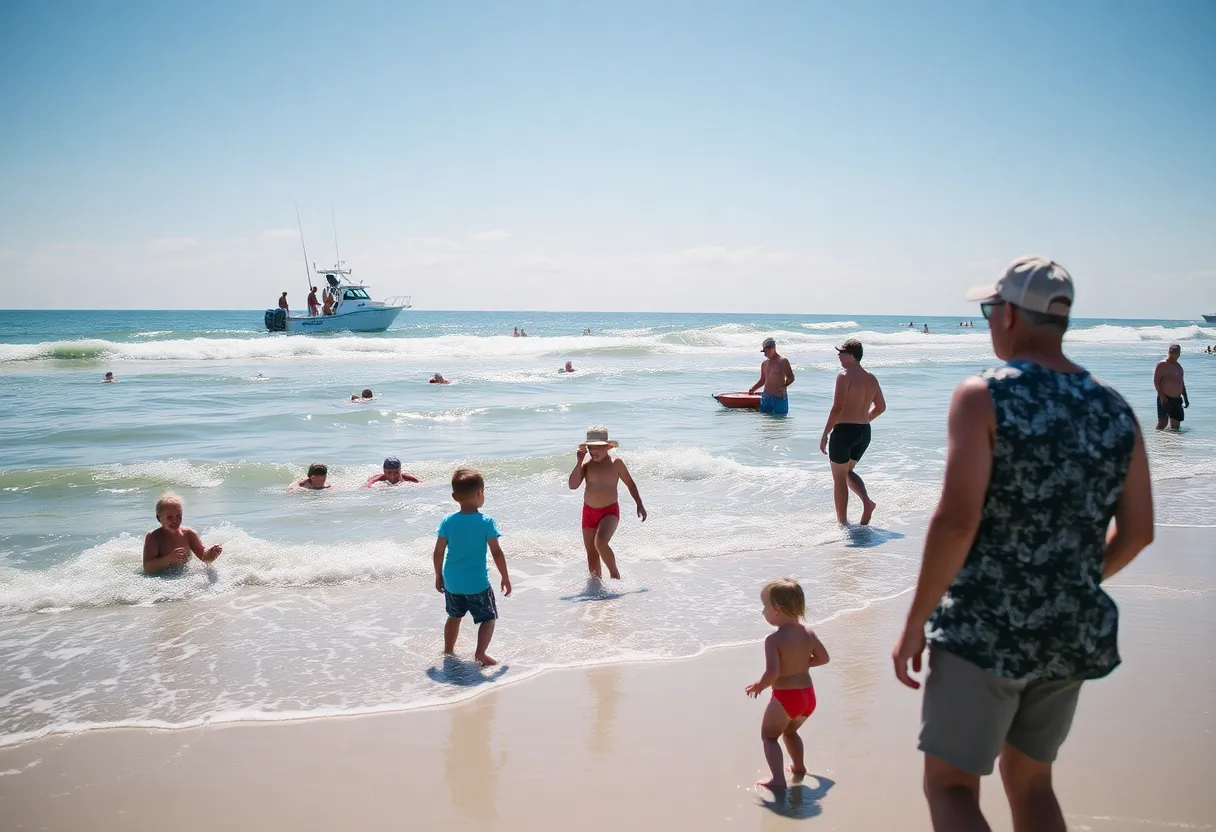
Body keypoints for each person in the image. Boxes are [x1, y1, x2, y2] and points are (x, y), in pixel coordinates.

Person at [891, 256, 1154, 832]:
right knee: (1033, 786)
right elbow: (1139, 533)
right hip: (1070, 627)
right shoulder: (1116, 408)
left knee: (952, 786)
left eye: (988, 310)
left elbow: (957, 521)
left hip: (984, 627)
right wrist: (1072, 580)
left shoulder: (982, 396)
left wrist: (916, 620)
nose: (988, 322)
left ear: (1010, 314)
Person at [745, 579, 830, 791]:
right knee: (791, 733)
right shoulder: (808, 633)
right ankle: (799, 767)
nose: (763, 612)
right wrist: (801, 665)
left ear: (776, 610)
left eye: (764, 607)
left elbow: (773, 672)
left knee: (769, 736)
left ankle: (777, 779)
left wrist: (760, 685)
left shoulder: (774, 640)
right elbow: (823, 658)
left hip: (786, 698)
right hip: (808, 697)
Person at [432, 468, 511, 666]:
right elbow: (496, 552)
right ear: (480, 493)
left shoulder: (447, 521)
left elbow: (438, 552)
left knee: (454, 616)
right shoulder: (486, 522)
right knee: (488, 618)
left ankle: (448, 651)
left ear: (454, 497)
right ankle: (480, 654)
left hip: (452, 581)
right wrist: (505, 576)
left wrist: (438, 575)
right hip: (477, 583)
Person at [819, 339, 885, 525]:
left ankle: (843, 524)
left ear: (852, 355)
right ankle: (866, 502)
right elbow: (881, 407)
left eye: (842, 352)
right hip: (864, 432)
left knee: (839, 479)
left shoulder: (844, 376)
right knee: (847, 472)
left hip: (844, 432)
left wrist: (825, 433)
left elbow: (837, 407)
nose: (838, 355)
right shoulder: (871, 378)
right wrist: (862, 421)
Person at [568, 426, 646, 580]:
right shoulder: (587, 466)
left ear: (607, 447)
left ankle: (615, 576)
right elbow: (572, 485)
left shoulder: (616, 463)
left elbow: (630, 483)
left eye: (597, 447)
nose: (592, 451)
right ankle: (596, 588)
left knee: (601, 542)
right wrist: (579, 462)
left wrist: (639, 503)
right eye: (590, 448)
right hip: (589, 512)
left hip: (609, 512)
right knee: (591, 552)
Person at [143, 493, 222, 575]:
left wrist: (212, 553)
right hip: (162, 578)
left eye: (178, 516)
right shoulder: (153, 537)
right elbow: (147, 568)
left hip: (183, 576)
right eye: (169, 517)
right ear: (159, 518)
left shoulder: (189, 534)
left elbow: (204, 557)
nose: (175, 520)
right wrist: (168, 559)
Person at [747, 338, 795, 415]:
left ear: (773, 348)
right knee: (766, 422)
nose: (764, 354)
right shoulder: (764, 364)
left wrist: (784, 386)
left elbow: (791, 377)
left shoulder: (782, 361)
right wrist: (753, 389)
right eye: (763, 352)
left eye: (765, 351)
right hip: (766, 397)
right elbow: (763, 380)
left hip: (779, 397)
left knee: (779, 421)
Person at [1154, 344, 1189, 430]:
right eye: (1171, 351)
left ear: (1179, 353)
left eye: (1176, 352)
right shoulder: (1162, 364)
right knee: (1163, 423)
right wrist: (1162, 397)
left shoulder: (1179, 367)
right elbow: (1156, 382)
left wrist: (1186, 398)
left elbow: (1181, 383)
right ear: (1169, 352)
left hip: (1177, 399)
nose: (1173, 353)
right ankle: (1158, 440)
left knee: (1175, 427)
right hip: (1165, 398)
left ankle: (1172, 443)